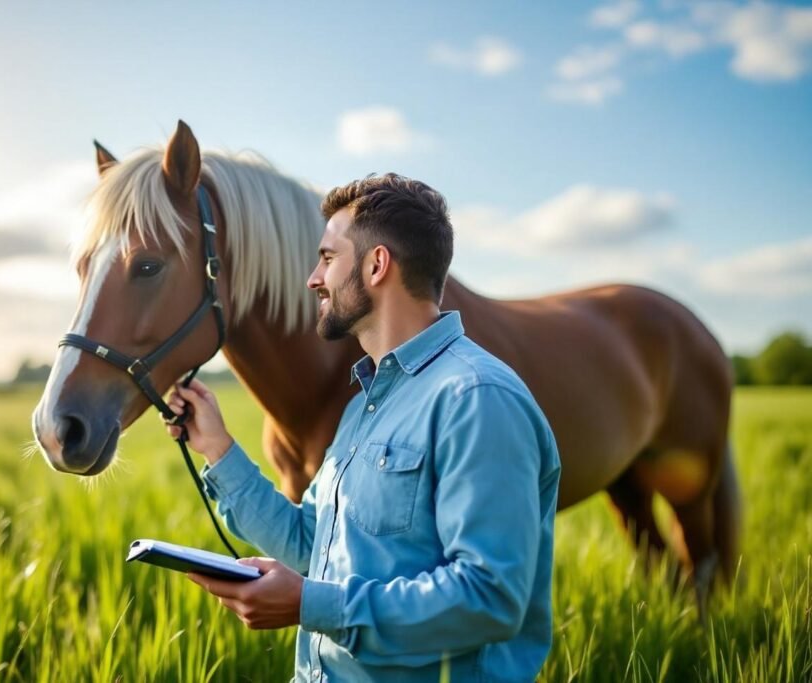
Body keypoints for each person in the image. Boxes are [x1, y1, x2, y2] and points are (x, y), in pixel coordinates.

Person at [166, 173, 561, 683]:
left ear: (377, 265)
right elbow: (315, 547)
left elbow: (490, 598)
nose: (313, 278)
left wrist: (312, 604)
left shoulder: (477, 399)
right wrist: (219, 451)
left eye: (328, 258)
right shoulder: (364, 406)